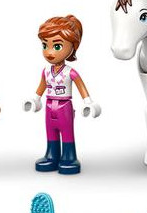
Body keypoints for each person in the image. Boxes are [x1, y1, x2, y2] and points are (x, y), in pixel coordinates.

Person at [24, 14, 101, 174]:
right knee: (50, 132)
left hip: (64, 107)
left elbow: (81, 87)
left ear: (72, 46)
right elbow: (41, 88)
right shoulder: (46, 71)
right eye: (45, 45)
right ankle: (51, 155)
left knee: (67, 133)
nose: (49, 52)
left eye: (57, 46)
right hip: (49, 106)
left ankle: (69, 157)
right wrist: (34, 99)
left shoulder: (70, 72)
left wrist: (88, 102)